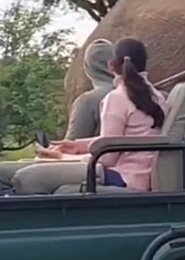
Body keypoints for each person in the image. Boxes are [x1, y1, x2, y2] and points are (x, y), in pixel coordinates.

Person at [22, 38, 167, 192]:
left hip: (123, 177)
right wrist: (79, 146)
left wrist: (64, 158)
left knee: (28, 177)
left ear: (111, 65)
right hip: (140, 176)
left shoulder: (117, 98)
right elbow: (124, 139)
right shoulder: (157, 97)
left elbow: (107, 158)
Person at [0, 39, 116, 190]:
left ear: (88, 68)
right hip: (97, 163)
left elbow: (71, 144)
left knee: (13, 174)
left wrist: (51, 152)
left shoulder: (89, 100)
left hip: (89, 165)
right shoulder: (134, 93)